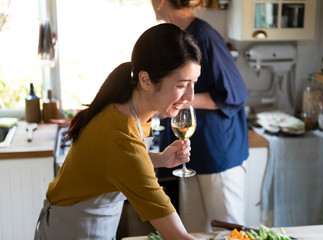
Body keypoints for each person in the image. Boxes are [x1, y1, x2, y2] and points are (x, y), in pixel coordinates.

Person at [34, 23, 202, 240]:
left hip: (92, 226)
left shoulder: (128, 108)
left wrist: (158, 159)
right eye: (181, 85)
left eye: (193, 83)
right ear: (145, 80)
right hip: (73, 231)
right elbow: (177, 236)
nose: (190, 96)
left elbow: (115, 163)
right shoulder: (120, 136)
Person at [151, 0, 249, 233]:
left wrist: (176, 99)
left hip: (217, 155)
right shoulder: (179, 37)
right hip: (192, 155)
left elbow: (235, 94)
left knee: (228, 233)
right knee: (193, 232)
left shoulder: (203, 35)